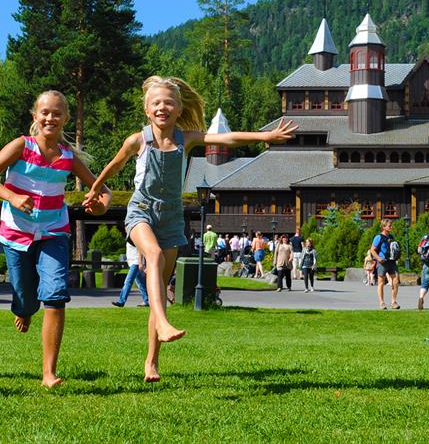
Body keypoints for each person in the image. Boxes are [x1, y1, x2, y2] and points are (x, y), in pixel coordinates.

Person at [88, 75, 294, 382]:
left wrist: (265, 136)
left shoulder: (188, 138)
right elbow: (115, 165)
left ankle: (151, 362)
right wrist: (95, 187)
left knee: (158, 282)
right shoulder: (138, 140)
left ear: (179, 107)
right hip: (141, 210)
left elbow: (227, 139)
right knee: (153, 257)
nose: (162, 107)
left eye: (169, 102)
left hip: (171, 218)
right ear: (147, 109)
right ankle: (162, 321)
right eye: (156, 102)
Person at [0, 91, 109, 389]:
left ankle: (48, 372)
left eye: (57, 113)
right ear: (35, 116)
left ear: (65, 119)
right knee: (25, 295)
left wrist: (100, 203)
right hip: (16, 233)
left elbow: (102, 189)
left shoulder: (68, 158)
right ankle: (23, 308)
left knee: (55, 295)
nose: (51, 118)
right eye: (45, 112)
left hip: (53, 232)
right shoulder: (20, 147)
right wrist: (11, 196)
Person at [373, 220, 401, 309]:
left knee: (395, 281)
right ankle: (382, 303)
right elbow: (372, 250)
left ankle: (394, 302)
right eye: (389, 226)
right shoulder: (378, 237)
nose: (391, 227)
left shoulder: (391, 236)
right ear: (384, 227)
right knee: (381, 282)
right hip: (382, 262)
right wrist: (379, 259)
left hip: (392, 262)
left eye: (391, 225)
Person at [113, 239, 149, 308]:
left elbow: (140, 250)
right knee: (141, 283)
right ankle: (147, 300)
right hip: (133, 263)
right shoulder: (129, 238)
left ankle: (121, 301)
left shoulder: (134, 237)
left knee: (128, 282)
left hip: (135, 263)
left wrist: (140, 263)